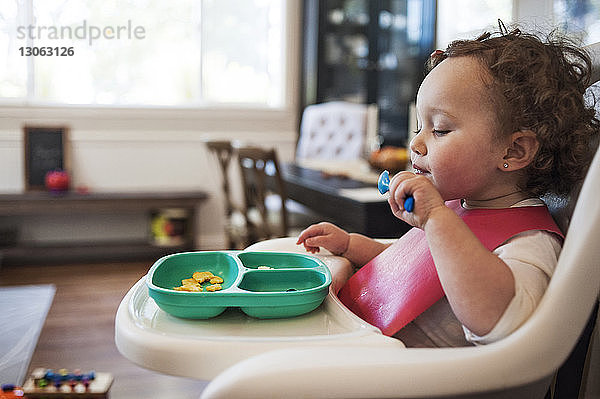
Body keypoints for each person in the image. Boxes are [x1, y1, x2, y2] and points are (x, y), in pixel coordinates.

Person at [296, 24, 599, 347]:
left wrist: (437, 221)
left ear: (514, 151)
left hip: (409, 377)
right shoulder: (459, 206)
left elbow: (501, 322)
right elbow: (411, 267)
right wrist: (351, 246)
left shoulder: (528, 241)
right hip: (358, 342)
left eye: (439, 130)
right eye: (419, 127)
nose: (416, 143)